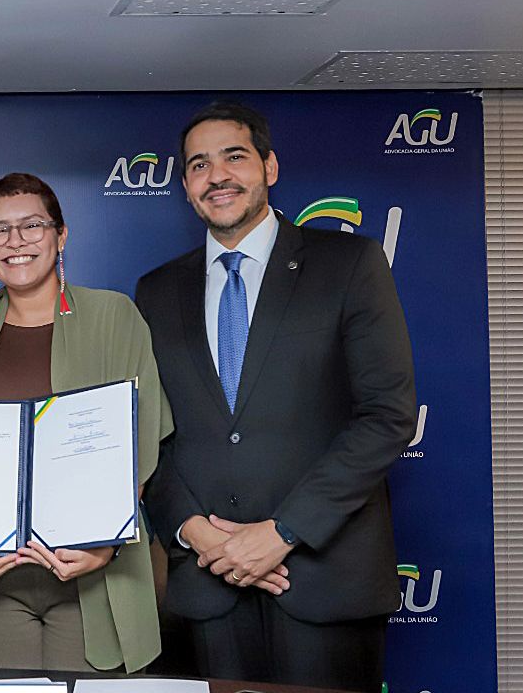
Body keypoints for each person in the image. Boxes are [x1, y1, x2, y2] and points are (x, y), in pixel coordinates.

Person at [136, 102, 415, 693]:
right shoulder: (157, 291)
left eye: (234, 157)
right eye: (198, 165)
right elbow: (146, 433)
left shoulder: (349, 264)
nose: (218, 176)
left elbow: (386, 416)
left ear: (269, 166)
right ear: (185, 185)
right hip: (209, 590)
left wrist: (282, 531)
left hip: (322, 579)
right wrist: (196, 533)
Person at [0, 173, 170, 672]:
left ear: (61, 236)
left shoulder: (113, 315)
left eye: (32, 226)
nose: (15, 242)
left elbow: (141, 440)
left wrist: (105, 542)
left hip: (94, 575)